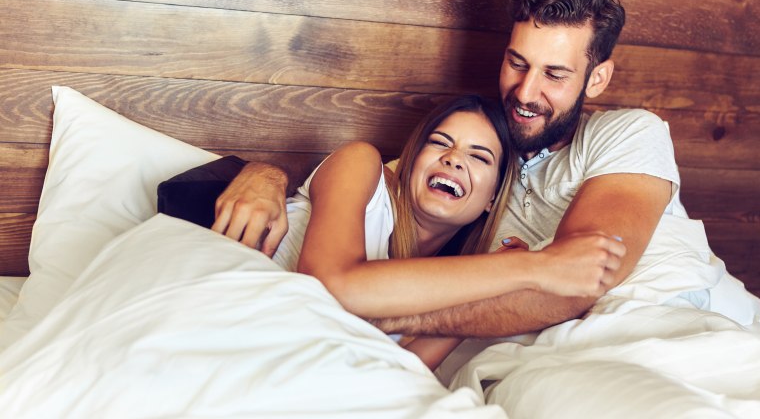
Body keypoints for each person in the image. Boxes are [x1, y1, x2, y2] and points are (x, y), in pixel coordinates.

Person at [213, 0, 680, 340]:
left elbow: (580, 277)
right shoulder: (463, 179)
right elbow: (363, 183)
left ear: (597, 79)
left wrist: (386, 317)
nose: (525, 90)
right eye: (517, 63)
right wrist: (265, 172)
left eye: (554, 74)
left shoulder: (628, 133)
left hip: (661, 326)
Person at [216, 94, 625, 369]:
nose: (453, 159)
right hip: (225, 328)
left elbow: (401, 372)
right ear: (411, 162)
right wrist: (534, 267)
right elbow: (331, 286)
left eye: (479, 156)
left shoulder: (441, 282)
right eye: (440, 143)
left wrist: (493, 287)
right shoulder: (362, 167)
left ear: (491, 199)